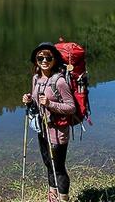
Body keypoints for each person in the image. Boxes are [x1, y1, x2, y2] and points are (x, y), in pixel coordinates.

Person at [22, 42, 76, 202]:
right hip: (43, 130)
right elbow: (37, 102)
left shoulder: (59, 81)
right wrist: (29, 100)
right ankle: (52, 197)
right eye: (40, 57)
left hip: (58, 133)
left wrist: (50, 104)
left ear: (54, 59)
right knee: (48, 164)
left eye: (48, 57)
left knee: (58, 168)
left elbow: (71, 107)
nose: (44, 60)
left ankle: (64, 199)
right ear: (36, 60)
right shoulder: (36, 79)